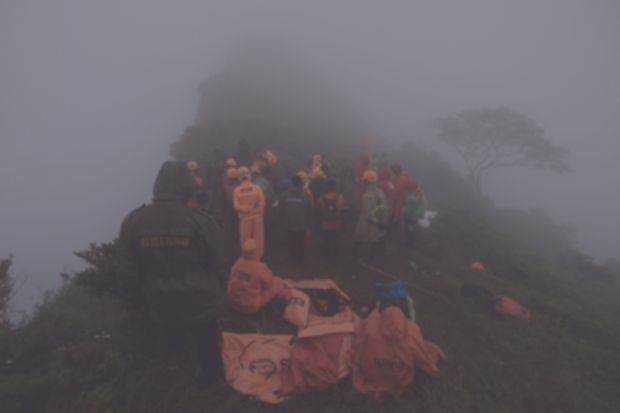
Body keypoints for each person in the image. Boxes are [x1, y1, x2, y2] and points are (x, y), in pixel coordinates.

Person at [116, 161, 228, 386]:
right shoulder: (201, 221)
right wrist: (218, 291)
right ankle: (210, 384)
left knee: (170, 342)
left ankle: (172, 379)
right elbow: (220, 263)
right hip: (201, 301)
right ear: (187, 186)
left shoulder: (134, 221)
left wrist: (137, 300)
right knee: (206, 345)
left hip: (159, 302)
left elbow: (127, 271)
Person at [227, 239, 286, 314]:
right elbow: (269, 284)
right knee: (277, 281)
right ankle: (282, 308)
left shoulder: (237, 263)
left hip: (232, 303)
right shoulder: (260, 267)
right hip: (249, 306)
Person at [353, 170, 388, 263]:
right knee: (374, 240)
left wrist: (378, 222)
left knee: (359, 238)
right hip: (378, 221)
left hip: (368, 222)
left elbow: (368, 213)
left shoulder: (367, 195)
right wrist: (382, 221)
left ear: (367, 182)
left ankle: (356, 258)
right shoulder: (380, 192)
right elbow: (384, 207)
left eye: (364, 181)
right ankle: (372, 259)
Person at [233, 166, 266, 260]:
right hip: (257, 218)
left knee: (245, 239)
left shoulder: (237, 190)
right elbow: (262, 204)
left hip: (244, 218)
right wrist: (253, 210)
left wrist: (246, 209)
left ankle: (246, 259)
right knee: (258, 239)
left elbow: (236, 206)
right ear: (249, 175)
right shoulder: (257, 188)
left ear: (239, 177)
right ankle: (258, 258)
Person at [279, 174, 313, 262]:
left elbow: (281, 211)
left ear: (292, 183)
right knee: (301, 243)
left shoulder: (284, 196)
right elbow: (310, 212)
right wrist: (309, 226)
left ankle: (292, 259)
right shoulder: (306, 196)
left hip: (288, 224)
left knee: (291, 242)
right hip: (302, 225)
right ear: (301, 184)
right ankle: (301, 260)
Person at [317, 179, 346, 263]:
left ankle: (326, 256)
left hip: (325, 223)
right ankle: (336, 256)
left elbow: (321, 210)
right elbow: (340, 210)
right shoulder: (339, 197)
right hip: (336, 223)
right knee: (336, 240)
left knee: (326, 240)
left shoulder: (321, 198)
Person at [403, 182, 427, 247]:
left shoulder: (419, 194)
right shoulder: (412, 193)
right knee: (407, 228)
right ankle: (409, 241)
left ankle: (411, 243)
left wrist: (416, 214)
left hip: (412, 216)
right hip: (408, 215)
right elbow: (408, 203)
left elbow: (422, 204)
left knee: (410, 228)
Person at [390, 163, 410, 227]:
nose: (393, 172)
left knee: (398, 215)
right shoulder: (404, 176)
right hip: (401, 199)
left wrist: (396, 217)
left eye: (393, 170)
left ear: (396, 170)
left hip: (398, 200)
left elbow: (398, 192)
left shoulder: (400, 179)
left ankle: (397, 222)